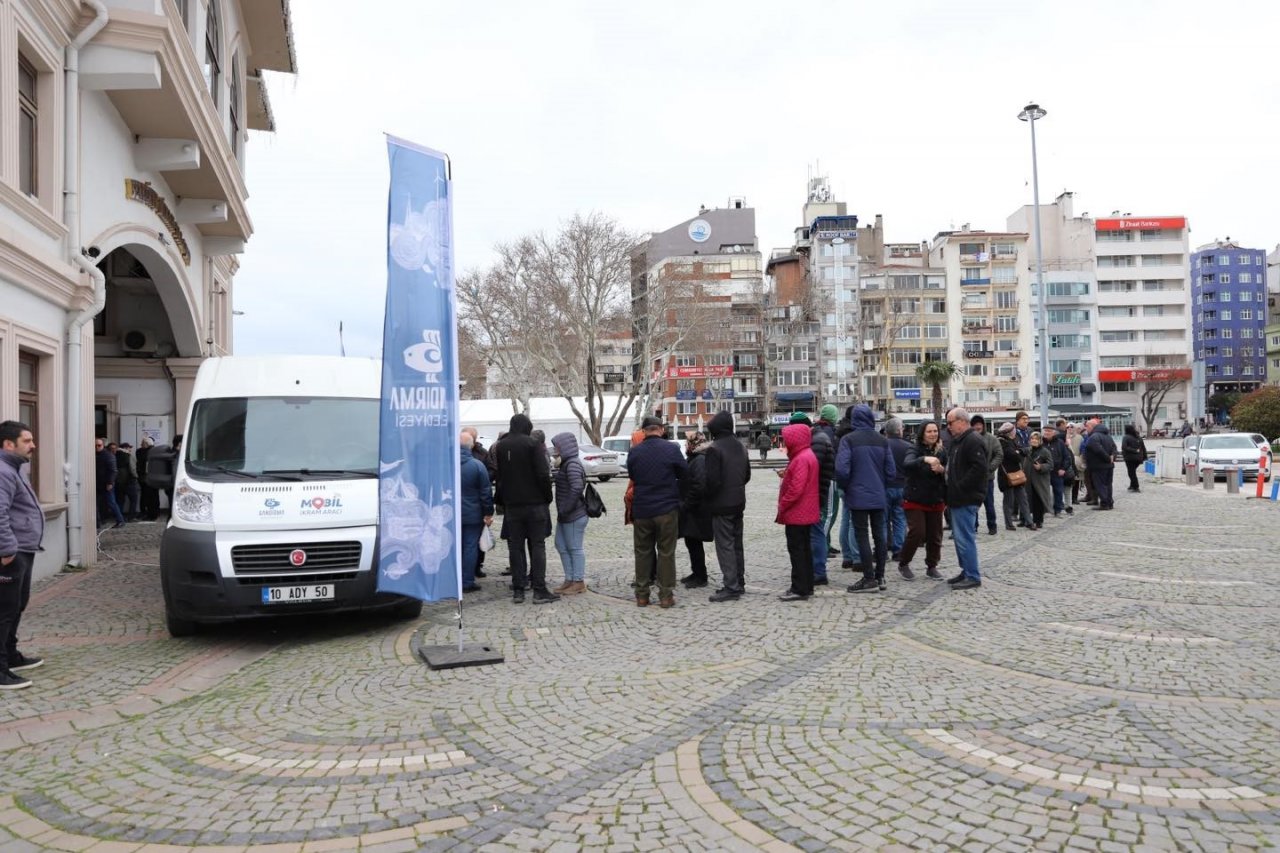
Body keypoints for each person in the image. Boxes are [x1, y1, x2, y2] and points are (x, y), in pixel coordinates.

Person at [493, 413, 559, 604]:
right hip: (535, 503)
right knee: (537, 545)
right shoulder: (533, 445)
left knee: (516, 546)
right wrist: (547, 497)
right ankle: (539, 589)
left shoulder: (502, 445)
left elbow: (500, 476)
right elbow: (542, 474)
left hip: (512, 505)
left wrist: (502, 500)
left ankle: (518, 589)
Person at [0, 421, 44, 690]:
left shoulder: (14, 468)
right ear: (8, 444)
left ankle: (11, 656)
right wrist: (5, 550)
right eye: (27, 441)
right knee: (4, 611)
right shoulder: (3, 471)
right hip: (11, 553)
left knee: (16, 605)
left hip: (23, 549)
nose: (33, 445)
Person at [835, 404, 896, 594]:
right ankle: (880, 576)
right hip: (878, 495)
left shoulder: (848, 440)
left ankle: (869, 577)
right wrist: (881, 486)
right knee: (880, 535)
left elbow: (842, 470)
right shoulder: (882, 440)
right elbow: (891, 471)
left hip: (857, 494)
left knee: (862, 535)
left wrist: (846, 487)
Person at [627, 416, 687, 608]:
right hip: (666, 509)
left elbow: (633, 476)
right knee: (666, 552)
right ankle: (666, 595)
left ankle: (642, 595)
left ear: (644, 431)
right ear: (661, 430)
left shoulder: (634, 452)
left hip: (642, 509)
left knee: (642, 552)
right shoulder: (672, 449)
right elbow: (684, 474)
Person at [703, 412, 751, 602]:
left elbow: (712, 482)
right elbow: (747, 475)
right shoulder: (741, 446)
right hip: (738, 502)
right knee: (737, 544)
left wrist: (707, 497)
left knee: (725, 546)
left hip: (721, 504)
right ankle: (739, 582)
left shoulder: (714, 449)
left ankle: (731, 586)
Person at [897, 421, 947, 581]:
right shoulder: (914, 448)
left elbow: (947, 469)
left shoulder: (941, 450)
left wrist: (942, 470)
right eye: (929, 431)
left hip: (935, 498)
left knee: (935, 535)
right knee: (918, 532)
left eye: (935, 431)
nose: (933, 434)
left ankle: (932, 566)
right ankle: (903, 562)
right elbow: (907, 465)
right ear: (922, 434)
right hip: (915, 498)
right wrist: (924, 459)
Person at [944, 408, 986, 590]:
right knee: (960, 538)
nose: (948, 427)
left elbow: (979, 469)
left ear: (962, 421)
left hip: (966, 497)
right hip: (956, 497)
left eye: (950, 423)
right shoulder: (958, 441)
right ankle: (966, 570)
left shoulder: (973, 440)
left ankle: (972, 575)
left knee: (965, 537)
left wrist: (959, 486)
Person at [776, 423, 819, 602]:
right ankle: (807, 585)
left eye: (787, 440)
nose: (785, 443)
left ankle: (799, 588)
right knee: (805, 550)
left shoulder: (801, 458)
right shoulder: (806, 455)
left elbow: (796, 488)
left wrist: (783, 504)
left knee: (797, 551)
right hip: (805, 511)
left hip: (797, 513)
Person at [550, 432, 589, 595]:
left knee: (574, 548)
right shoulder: (567, 463)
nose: (555, 450)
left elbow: (576, 487)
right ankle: (570, 578)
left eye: (557, 446)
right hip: (567, 515)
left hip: (574, 514)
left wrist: (566, 508)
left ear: (564, 447)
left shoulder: (572, 464)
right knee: (561, 545)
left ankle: (578, 581)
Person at [800, 413, 835, 588]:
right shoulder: (818, 438)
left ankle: (819, 572)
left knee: (816, 531)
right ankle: (816, 569)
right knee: (816, 531)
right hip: (818, 491)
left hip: (816, 492)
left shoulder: (817, 441)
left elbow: (812, 469)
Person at [675, 431, 712, 590]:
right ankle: (696, 572)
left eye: (687, 442)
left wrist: (686, 505)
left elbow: (699, 486)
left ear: (693, 443)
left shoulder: (699, 460)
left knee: (694, 542)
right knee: (692, 542)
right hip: (694, 508)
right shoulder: (696, 458)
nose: (685, 445)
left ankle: (700, 576)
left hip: (697, 509)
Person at [458, 430, 494, 594]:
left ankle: (455, 579)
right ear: (471, 446)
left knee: (455, 547)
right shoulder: (477, 466)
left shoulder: (446, 466)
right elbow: (485, 493)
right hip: (473, 514)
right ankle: (467, 581)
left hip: (451, 515)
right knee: (470, 547)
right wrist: (488, 513)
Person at [816, 404, 843, 554]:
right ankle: (822, 545)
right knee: (830, 513)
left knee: (823, 513)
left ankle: (826, 542)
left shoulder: (818, 430)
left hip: (821, 479)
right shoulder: (830, 434)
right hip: (830, 478)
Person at [997, 423, 1033, 531]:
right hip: (1007, 476)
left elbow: (1019, 452)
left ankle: (1029, 522)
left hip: (1017, 474)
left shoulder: (1013, 441)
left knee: (1023, 499)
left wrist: (1020, 451)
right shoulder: (1002, 442)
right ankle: (1009, 524)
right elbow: (1015, 456)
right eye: (1013, 431)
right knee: (1009, 501)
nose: (1015, 433)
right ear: (1009, 432)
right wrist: (1020, 452)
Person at [883, 418, 910, 559]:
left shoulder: (882, 445)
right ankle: (898, 550)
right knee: (900, 519)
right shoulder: (907, 446)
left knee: (883, 519)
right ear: (900, 430)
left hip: (886, 486)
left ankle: (883, 548)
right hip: (902, 486)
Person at [969, 415, 1001, 535]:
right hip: (972, 479)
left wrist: (990, 467)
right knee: (973, 504)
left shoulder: (992, 439)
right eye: (975, 424)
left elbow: (999, 454)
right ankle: (974, 526)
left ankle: (992, 526)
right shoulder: (968, 438)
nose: (977, 426)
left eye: (979, 424)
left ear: (983, 425)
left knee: (989, 504)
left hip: (987, 478)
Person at [1084, 421, 1118, 510]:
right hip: (1108, 465)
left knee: (1100, 485)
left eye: (1087, 426)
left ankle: (1104, 503)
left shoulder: (1094, 436)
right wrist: (1112, 457)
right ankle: (1109, 502)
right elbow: (1114, 448)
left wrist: (1108, 458)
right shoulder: (1108, 436)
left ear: (1091, 426)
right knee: (1108, 484)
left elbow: (1097, 449)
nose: (1086, 429)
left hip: (1098, 466)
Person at [95, 438, 125, 529]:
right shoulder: (95, 455)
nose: (96, 447)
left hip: (106, 483)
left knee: (111, 503)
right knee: (96, 504)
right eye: (95, 445)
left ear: (103, 445)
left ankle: (120, 520)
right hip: (98, 483)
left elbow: (113, 471)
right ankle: (98, 522)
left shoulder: (108, 455)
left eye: (99, 445)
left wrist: (110, 483)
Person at [1046, 421, 1075, 516]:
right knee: (1045, 492)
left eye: (1049, 431)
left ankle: (1058, 510)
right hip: (1044, 472)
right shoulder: (1041, 443)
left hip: (1057, 471)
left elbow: (1067, 457)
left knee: (1058, 491)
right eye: (1045, 431)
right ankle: (1045, 509)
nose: (1047, 433)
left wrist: (1063, 468)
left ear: (1054, 432)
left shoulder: (1060, 443)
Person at [1025, 431, 1053, 529]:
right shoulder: (1028, 450)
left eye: (1036, 439)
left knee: (1039, 500)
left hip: (1040, 480)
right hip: (1029, 480)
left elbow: (1050, 465)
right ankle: (1028, 519)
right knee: (1029, 499)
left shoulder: (1045, 451)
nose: (1034, 440)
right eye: (1032, 438)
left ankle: (1039, 520)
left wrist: (1041, 466)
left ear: (1040, 440)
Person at [136, 437, 160, 521]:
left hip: (148, 477)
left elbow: (145, 465)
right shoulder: (155, 451)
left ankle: (151, 514)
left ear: (146, 444)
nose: (141, 445)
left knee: (149, 497)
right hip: (155, 477)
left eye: (142, 443)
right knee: (154, 496)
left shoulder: (146, 452)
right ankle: (154, 513)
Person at [115, 443, 139, 521]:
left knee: (120, 500)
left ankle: (119, 516)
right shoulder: (129, 456)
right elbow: (132, 468)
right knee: (133, 499)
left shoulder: (115, 455)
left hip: (119, 481)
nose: (130, 449)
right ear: (125, 448)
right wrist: (136, 476)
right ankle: (131, 517)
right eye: (129, 448)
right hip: (130, 481)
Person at [1121, 424, 1148, 493]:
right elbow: (1143, 448)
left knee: (1131, 473)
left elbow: (1124, 447)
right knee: (1132, 471)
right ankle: (1132, 485)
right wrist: (1145, 457)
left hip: (1130, 458)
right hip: (1138, 458)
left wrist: (1134, 450)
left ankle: (1136, 486)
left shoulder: (1126, 437)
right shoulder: (1138, 437)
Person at [1066, 423, 1085, 506]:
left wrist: (1082, 461)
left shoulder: (1080, 437)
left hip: (1077, 461)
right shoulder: (1064, 437)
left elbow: (1082, 450)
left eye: (1072, 427)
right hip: (1066, 461)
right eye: (1068, 427)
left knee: (1077, 480)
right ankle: (1067, 500)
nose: (1070, 428)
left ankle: (1074, 498)